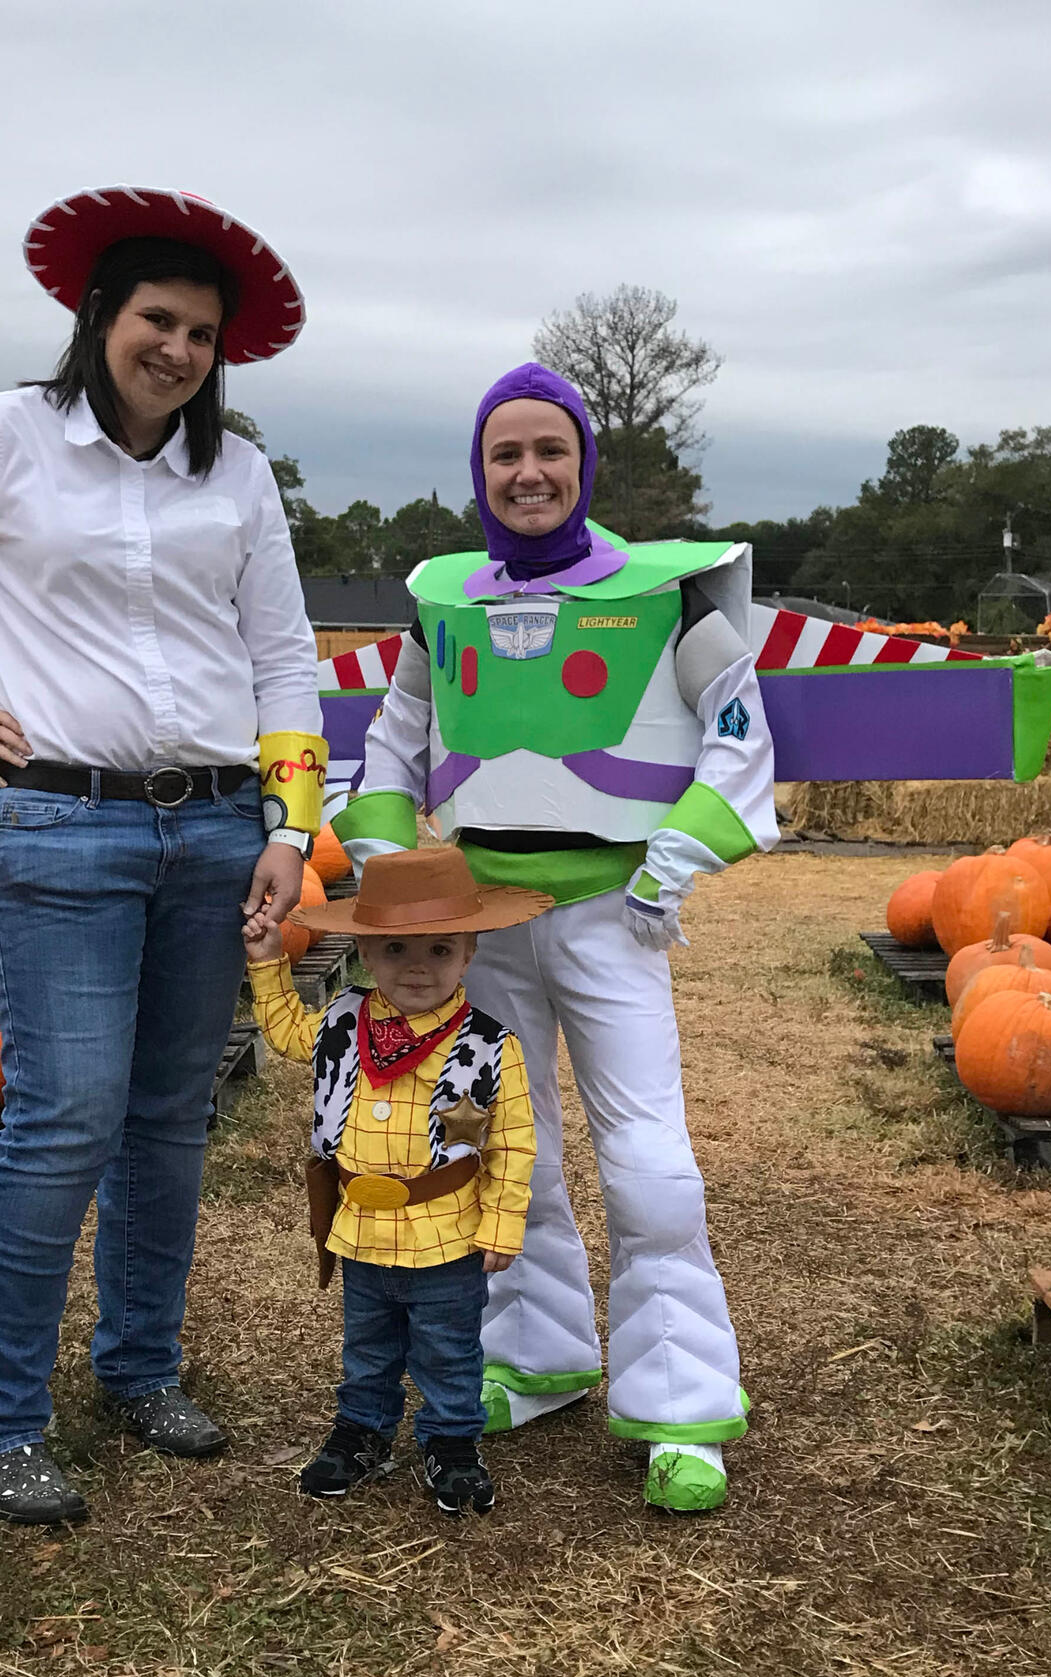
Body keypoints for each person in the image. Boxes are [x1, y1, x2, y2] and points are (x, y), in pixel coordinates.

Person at [0, 187, 328, 1525]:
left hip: (218, 827)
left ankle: (141, 1369)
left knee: (169, 1121)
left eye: (203, 334)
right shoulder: (4, 438)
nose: (177, 350)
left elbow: (282, 657)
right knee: (62, 1121)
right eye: (158, 319)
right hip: (59, 828)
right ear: (101, 315)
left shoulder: (237, 474)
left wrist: (289, 827)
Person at [333, 363, 777, 1512]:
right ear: (479, 473)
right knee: (495, 1144)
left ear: (582, 463)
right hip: (481, 922)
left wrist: (673, 860)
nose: (527, 474)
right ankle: (531, 1354)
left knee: (648, 1165)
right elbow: (394, 742)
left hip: (610, 914)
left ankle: (679, 1403)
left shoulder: (666, 592)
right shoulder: (445, 599)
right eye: (503, 455)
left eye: (549, 452)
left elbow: (738, 738)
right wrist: (386, 864)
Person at [243, 847, 546, 1513]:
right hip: (360, 1228)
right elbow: (291, 1035)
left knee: (446, 1349)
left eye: (439, 951)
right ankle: (363, 1432)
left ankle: (451, 1442)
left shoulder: (488, 1048)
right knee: (368, 1345)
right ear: (366, 954)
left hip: (445, 1233)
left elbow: (513, 1143)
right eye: (397, 949)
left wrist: (501, 1223)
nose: (416, 967)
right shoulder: (344, 1023)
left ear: (468, 955)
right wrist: (267, 962)